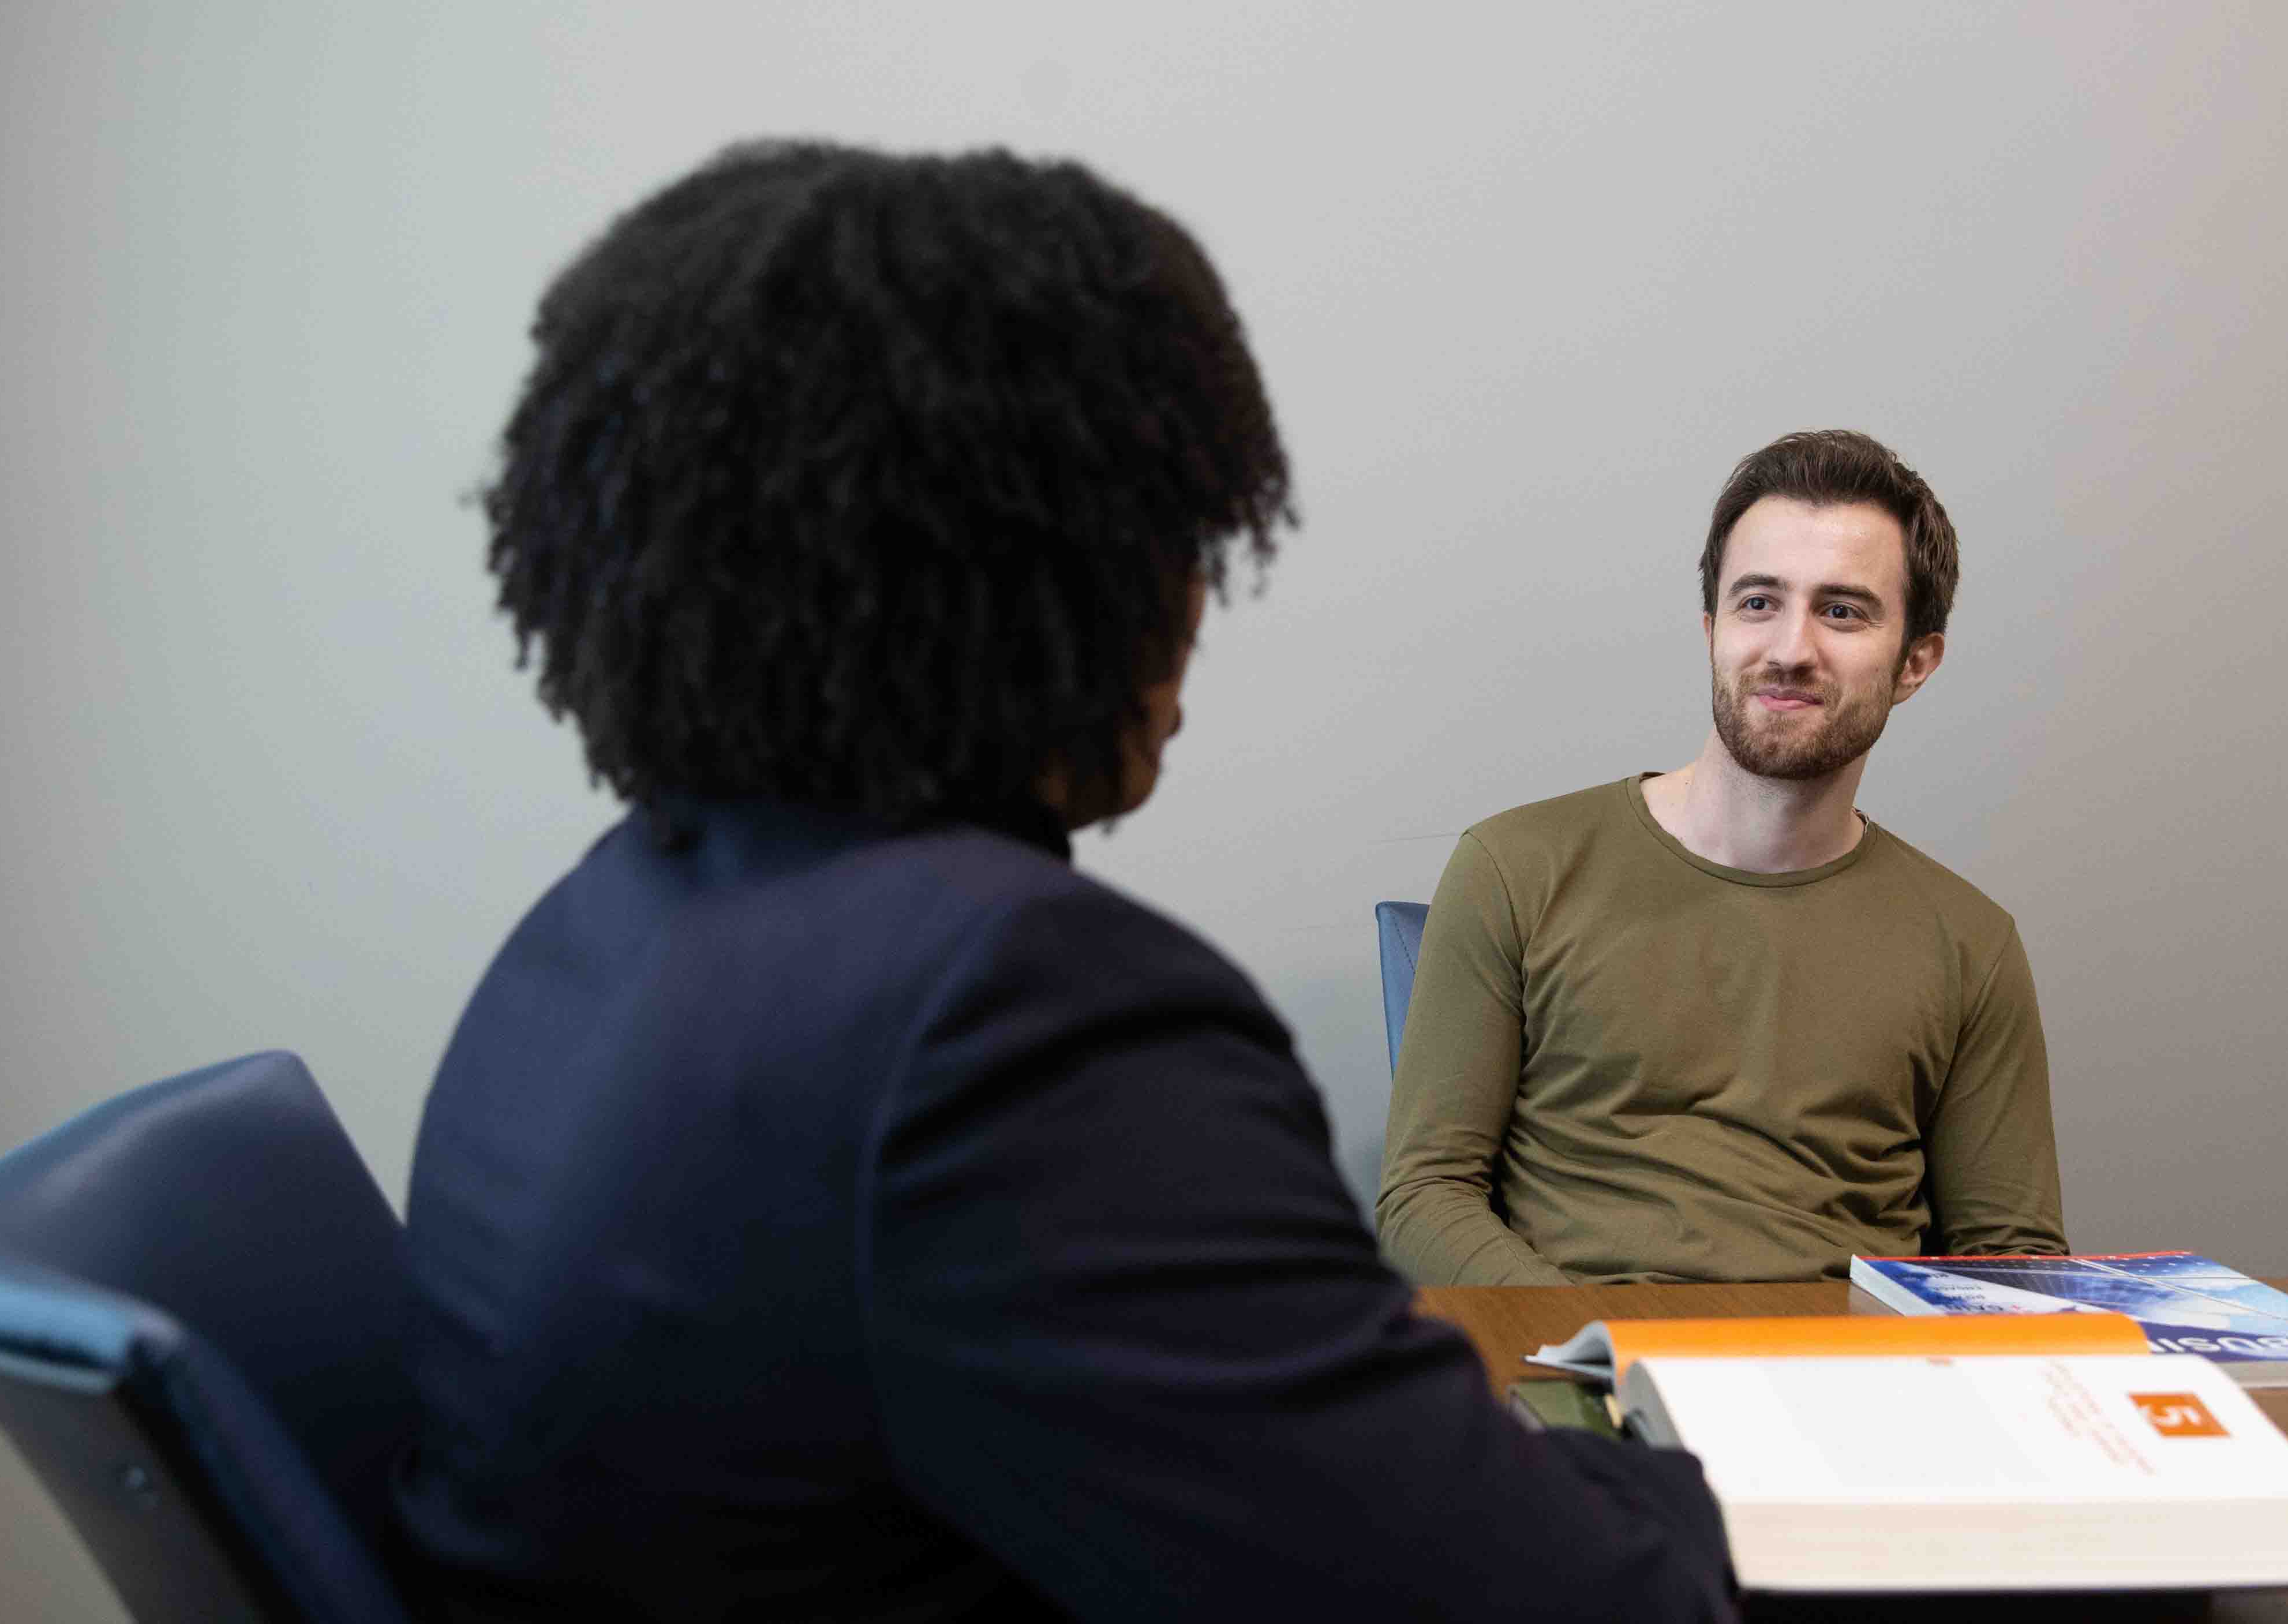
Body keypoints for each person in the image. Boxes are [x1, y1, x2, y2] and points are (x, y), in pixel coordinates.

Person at [390, 141, 1732, 1623]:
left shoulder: (602, 928)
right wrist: (1697, 1480)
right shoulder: (1011, 1016)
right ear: (1055, 578)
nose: (1198, 601)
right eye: (1176, 540)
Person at [1377, 429, 2066, 1287]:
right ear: (1712, 629)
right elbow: (1424, 1196)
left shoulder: (1971, 944)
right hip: (1576, 1377)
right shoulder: (1513, 867)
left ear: (1915, 662)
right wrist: (1611, 1353)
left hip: (1846, 1392)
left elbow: (2013, 1261)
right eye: (1758, 602)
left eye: (1842, 610)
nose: (1790, 649)